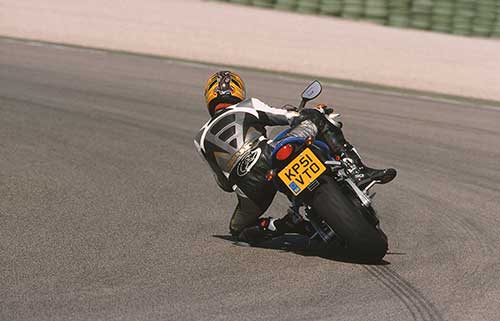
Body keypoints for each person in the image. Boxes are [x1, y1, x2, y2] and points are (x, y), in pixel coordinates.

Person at [194, 71, 396, 244]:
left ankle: (285, 224)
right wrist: (306, 113)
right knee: (315, 116)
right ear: (238, 91)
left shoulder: (200, 138)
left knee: (238, 230)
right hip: (269, 156)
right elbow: (287, 117)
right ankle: (357, 170)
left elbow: (224, 184)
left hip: (250, 188)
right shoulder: (248, 105)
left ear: (209, 97)